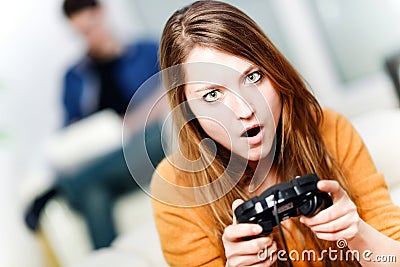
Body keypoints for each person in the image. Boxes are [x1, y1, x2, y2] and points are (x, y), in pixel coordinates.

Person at [150, 1, 400, 266]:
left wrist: (358, 235)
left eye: (253, 77)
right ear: (187, 109)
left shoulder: (331, 130)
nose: (245, 109)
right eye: (212, 95)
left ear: (275, 72)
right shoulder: (176, 188)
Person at [25, 0, 165, 249]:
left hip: (148, 142)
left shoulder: (146, 51)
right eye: (81, 33)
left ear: (102, 13)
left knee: (155, 136)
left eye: (90, 27)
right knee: (93, 191)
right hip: (106, 160)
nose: (88, 37)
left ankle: (58, 190)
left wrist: (129, 124)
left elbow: (169, 94)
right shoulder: (74, 77)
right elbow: (70, 133)